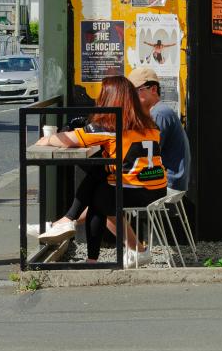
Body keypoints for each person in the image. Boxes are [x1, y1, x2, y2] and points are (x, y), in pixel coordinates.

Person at [34, 75, 166, 265]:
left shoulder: (110, 125)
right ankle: (77, 239)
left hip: (136, 190)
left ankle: (73, 233)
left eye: (101, 94)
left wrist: (46, 139)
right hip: (157, 188)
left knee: (98, 197)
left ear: (109, 98)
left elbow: (71, 139)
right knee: (99, 178)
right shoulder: (147, 122)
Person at [127, 65, 190, 192]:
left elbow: (146, 153)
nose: (131, 96)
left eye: (136, 91)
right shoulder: (158, 111)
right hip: (168, 180)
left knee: (108, 189)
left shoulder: (159, 113)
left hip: (168, 184)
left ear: (153, 89)